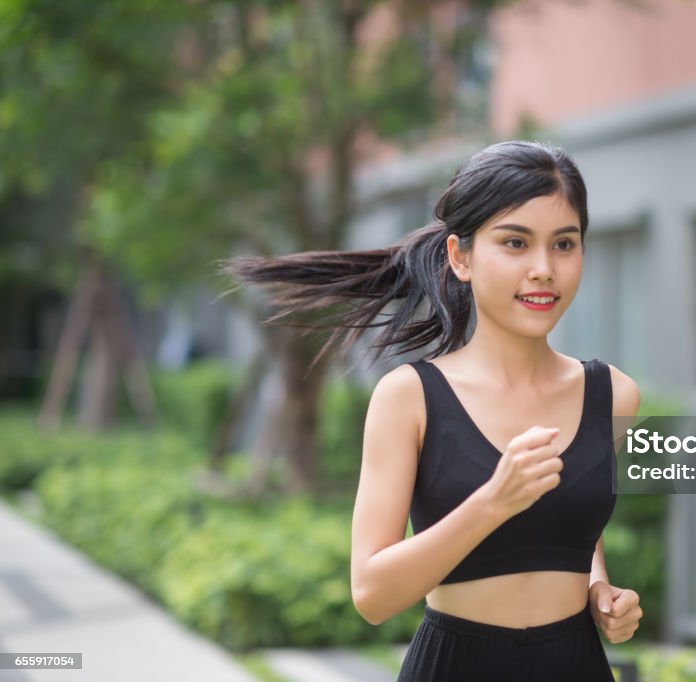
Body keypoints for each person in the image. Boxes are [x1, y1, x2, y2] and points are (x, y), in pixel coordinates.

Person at [226, 140, 643, 681]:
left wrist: (599, 590)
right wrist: (493, 501)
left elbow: (573, 522)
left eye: (564, 244)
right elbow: (371, 593)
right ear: (460, 258)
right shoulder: (410, 398)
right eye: (515, 242)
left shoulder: (613, 394)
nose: (544, 268)